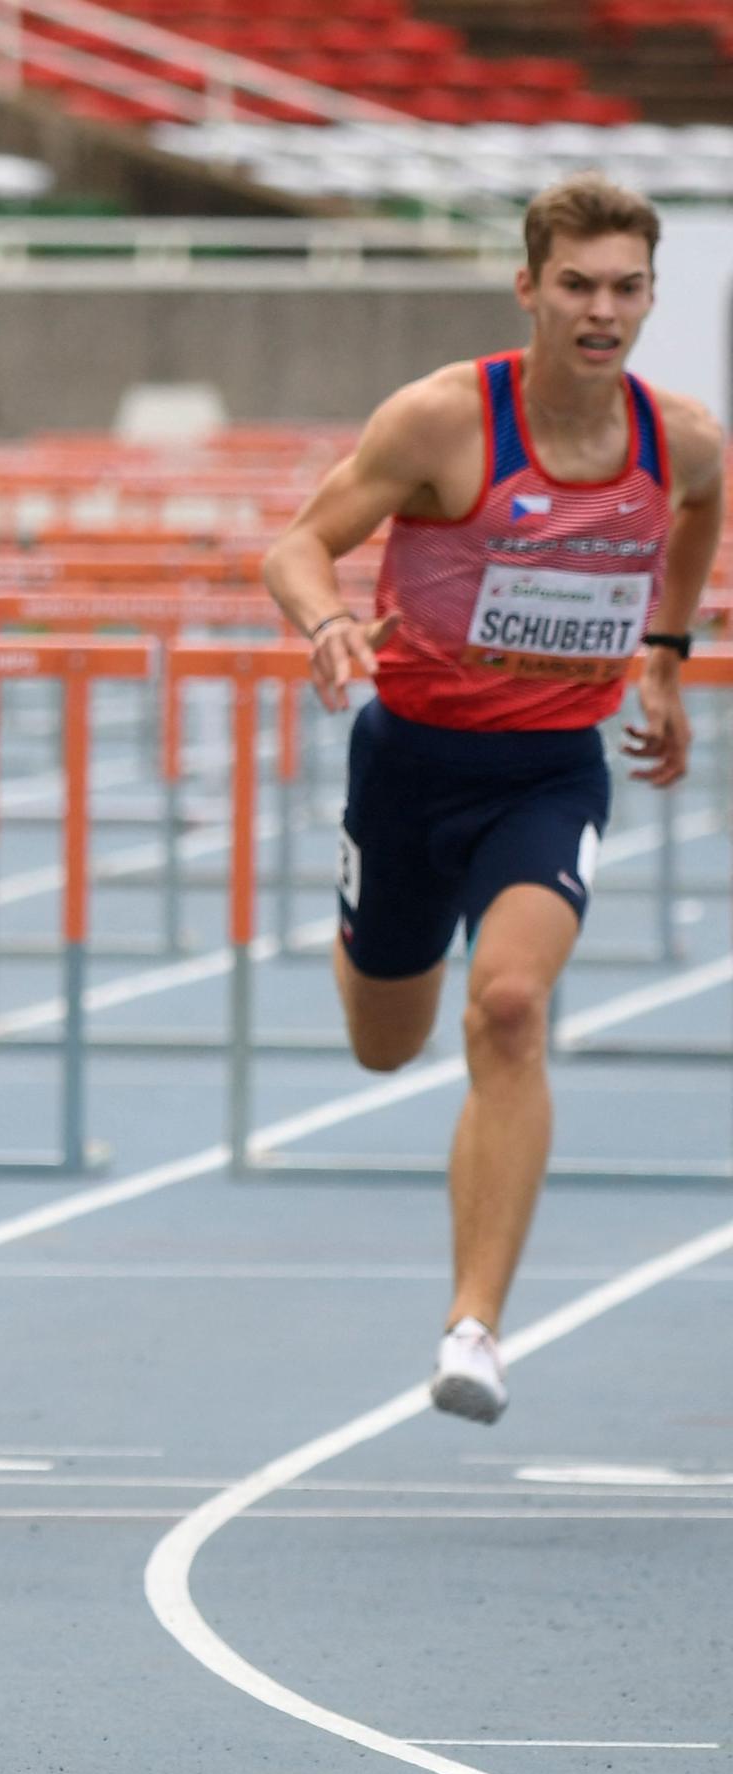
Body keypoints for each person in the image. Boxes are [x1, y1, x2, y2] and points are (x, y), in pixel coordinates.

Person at [261, 173, 718, 1425]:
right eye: (576, 284)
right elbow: (293, 545)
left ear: (648, 299)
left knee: (508, 1007)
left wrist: (666, 661)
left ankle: (474, 1327)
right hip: (409, 761)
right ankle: (364, 922)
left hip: (549, 771)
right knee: (384, 1044)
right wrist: (327, 621)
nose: (601, 309)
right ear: (528, 288)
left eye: (626, 287)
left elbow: (698, 517)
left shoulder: (679, 439)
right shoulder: (442, 422)